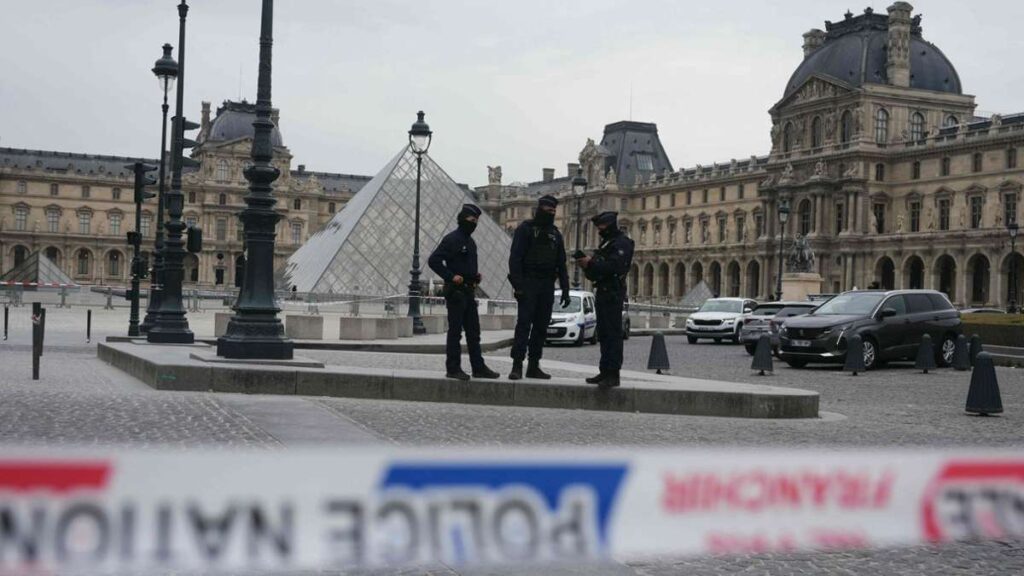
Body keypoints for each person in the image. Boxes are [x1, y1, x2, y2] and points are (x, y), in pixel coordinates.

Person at [427, 204, 500, 381]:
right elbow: (433, 260)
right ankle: (453, 368)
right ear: (462, 219)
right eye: (471, 220)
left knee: (474, 333)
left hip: (469, 291)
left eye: (476, 221)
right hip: (456, 293)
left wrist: (475, 277)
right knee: (455, 332)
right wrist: (451, 277)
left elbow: (466, 266)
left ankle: (478, 367)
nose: (474, 223)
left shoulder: (471, 242)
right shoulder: (451, 239)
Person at [507, 195, 570, 380]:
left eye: (553, 211)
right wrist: (518, 286)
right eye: (548, 210)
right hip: (529, 282)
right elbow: (515, 259)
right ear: (540, 209)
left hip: (547, 285)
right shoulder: (525, 229)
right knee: (524, 325)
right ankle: (517, 365)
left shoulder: (555, 234)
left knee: (541, 327)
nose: (550, 214)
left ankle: (534, 364)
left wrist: (565, 289)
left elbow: (562, 263)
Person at [576, 211, 634, 387]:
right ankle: (604, 371)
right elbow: (596, 273)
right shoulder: (607, 243)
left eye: (601, 226)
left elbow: (614, 267)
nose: (599, 229)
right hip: (602, 291)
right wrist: (586, 266)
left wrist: (591, 263)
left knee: (613, 334)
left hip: (613, 293)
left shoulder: (623, 243)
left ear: (609, 225)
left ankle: (613, 373)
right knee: (603, 333)